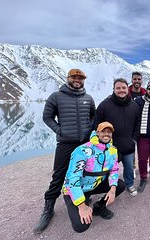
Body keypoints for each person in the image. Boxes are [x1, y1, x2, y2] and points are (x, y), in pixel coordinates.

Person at [34, 69, 96, 233]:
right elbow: (47, 117)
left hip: (84, 143)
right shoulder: (56, 97)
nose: (77, 80)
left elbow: (93, 116)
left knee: (85, 172)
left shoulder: (88, 98)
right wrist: (59, 130)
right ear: (68, 78)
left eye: (80, 78)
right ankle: (49, 208)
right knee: (59, 174)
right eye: (74, 77)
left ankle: (83, 198)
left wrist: (89, 130)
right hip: (65, 143)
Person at [62, 122, 126, 233]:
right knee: (81, 226)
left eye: (109, 132)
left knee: (120, 185)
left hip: (94, 184)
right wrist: (82, 207)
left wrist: (112, 190)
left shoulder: (113, 150)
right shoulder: (81, 151)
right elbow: (72, 179)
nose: (106, 134)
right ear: (97, 133)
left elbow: (114, 170)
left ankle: (99, 206)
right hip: (76, 189)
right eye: (103, 131)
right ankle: (83, 202)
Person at [93, 78, 140, 197]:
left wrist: (133, 139)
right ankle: (107, 188)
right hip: (110, 147)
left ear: (127, 89)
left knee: (129, 168)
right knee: (107, 170)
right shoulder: (105, 105)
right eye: (118, 88)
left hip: (128, 145)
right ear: (113, 89)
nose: (121, 90)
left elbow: (138, 124)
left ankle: (129, 185)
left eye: (123, 88)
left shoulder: (134, 106)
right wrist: (103, 143)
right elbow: (96, 124)